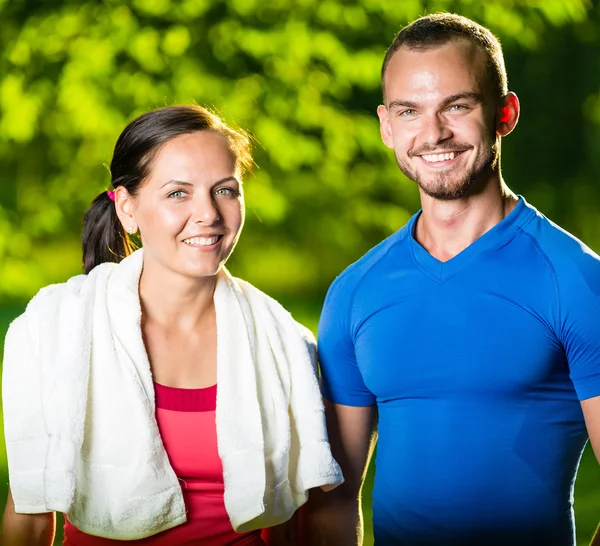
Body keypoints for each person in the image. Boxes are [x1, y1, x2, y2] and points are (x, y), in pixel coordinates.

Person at [305, 12, 600, 546]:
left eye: (457, 106)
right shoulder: (355, 291)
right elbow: (336, 498)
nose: (433, 132)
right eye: (409, 110)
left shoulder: (576, 279)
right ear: (386, 125)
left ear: (504, 113)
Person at [1, 104, 343, 546]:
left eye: (224, 190)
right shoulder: (56, 327)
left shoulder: (282, 339)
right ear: (127, 208)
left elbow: (289, 521)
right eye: (178, 193)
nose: (208, 214)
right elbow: (29, 514)